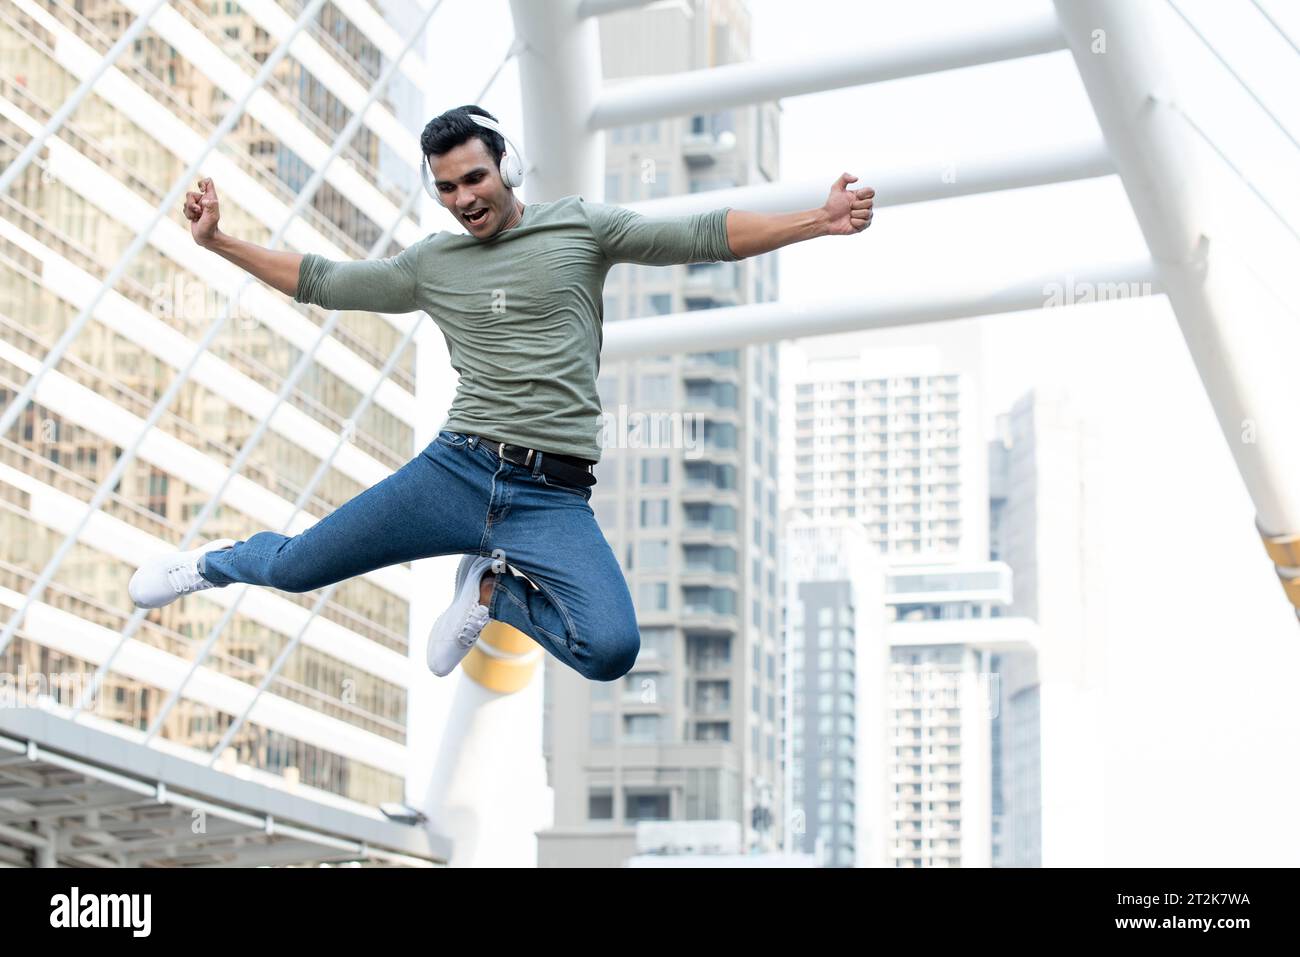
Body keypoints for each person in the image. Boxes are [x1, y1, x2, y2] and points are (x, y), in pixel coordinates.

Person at [129, 104, 874, 682]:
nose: (463, 198)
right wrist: (218, 240)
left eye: (474, 178)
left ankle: (492, 595)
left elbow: (702, 234)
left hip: (551, 497)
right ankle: (207, 565)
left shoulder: (580, 228)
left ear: (506, 167)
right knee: (296, 569)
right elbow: (324, 281)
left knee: (610, 649)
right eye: (447, 187)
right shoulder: (432, 264)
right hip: (456, 470)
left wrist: (819, 220)